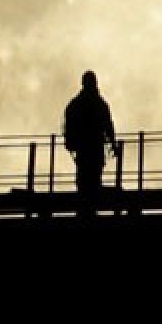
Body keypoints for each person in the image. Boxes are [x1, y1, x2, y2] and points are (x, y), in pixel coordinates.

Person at [63, 70, 116, 215]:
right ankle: (89, 211)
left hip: (84, 149)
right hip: (94, 148)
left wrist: (69, 142)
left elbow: (68, 122)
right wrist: (113, 144)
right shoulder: (99, 103)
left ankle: (85, 211)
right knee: (92, 182)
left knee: (84, 182)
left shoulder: (76, 104)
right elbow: (108, 124)